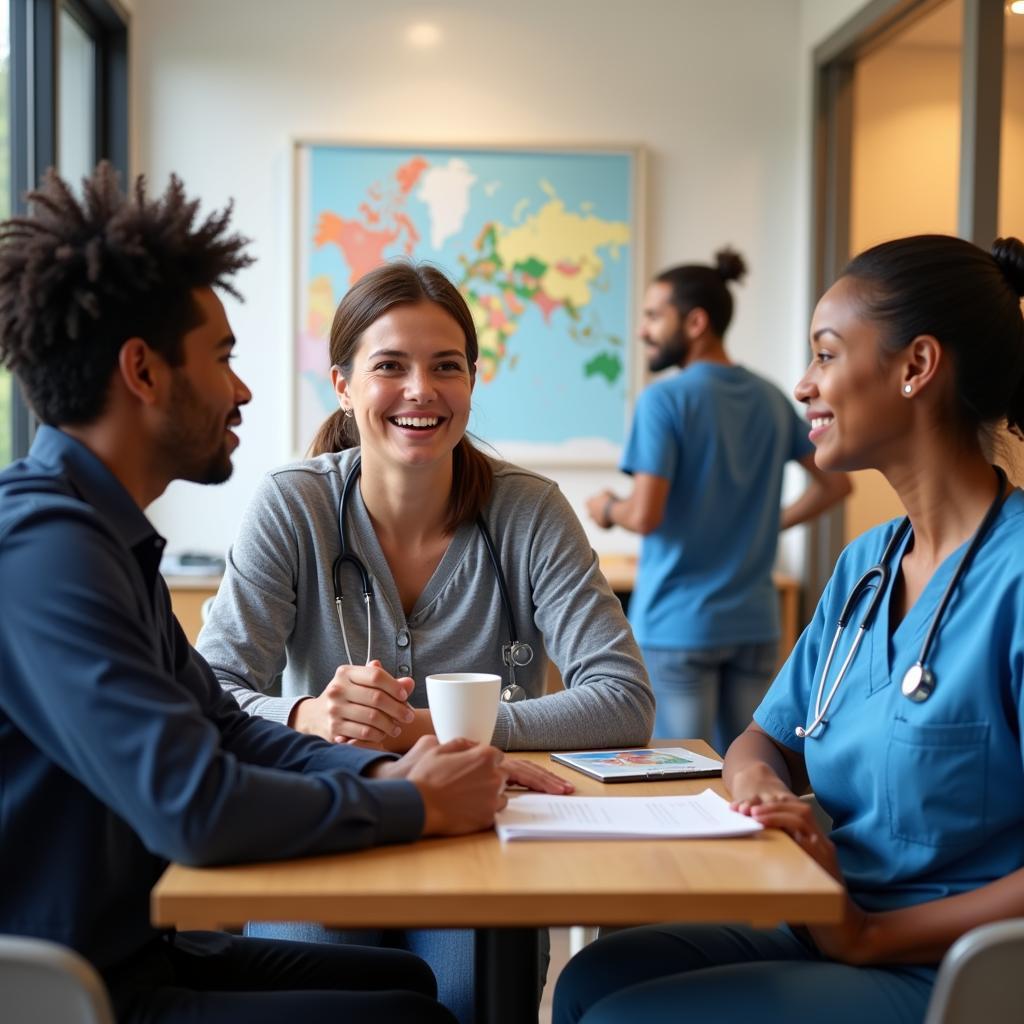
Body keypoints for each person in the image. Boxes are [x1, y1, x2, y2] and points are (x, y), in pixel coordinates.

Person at [0, 163, 521, 1024]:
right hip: (69, 986)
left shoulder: (102, 540)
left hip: (137, 949)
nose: (241, 390)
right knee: (414, 1020)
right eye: (224, 358)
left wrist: (394, 765)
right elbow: (195, 807)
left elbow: (230, 728)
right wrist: (413, 801)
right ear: (143, 372)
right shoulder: (42, 553)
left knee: (411, 990)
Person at [555, 233, 1024, 1024]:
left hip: (945, 962)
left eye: (826, 355)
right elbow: (761, 739)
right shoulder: (868, 566)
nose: (803, 384)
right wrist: (763, 789)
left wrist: (870, 936)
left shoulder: (1013, 576)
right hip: (826, 914)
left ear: (916, 368)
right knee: (590, 980)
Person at [196, 260, 656, 1022]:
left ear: (473, 381)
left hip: (478, 839)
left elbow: (624, 699)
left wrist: (425, 730)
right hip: (335, 821)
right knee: (318, 998)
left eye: (447, 366)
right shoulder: (294, 505)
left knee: (469, 1001)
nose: (421, 390)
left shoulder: (529, 512)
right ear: (343, 384)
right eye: (390, 366)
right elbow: (209, 689)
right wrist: (308, 716)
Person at [586, 249, 850, 750]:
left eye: (652, 316)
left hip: (678, 626)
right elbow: (836, 485)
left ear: (696, 321)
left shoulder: (665, 400)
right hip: (754, 620)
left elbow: (645, 513)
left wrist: (605, 509)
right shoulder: (773, 397)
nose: (643, 330)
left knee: (678, 774)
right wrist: (766, 524)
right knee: (750, 762)